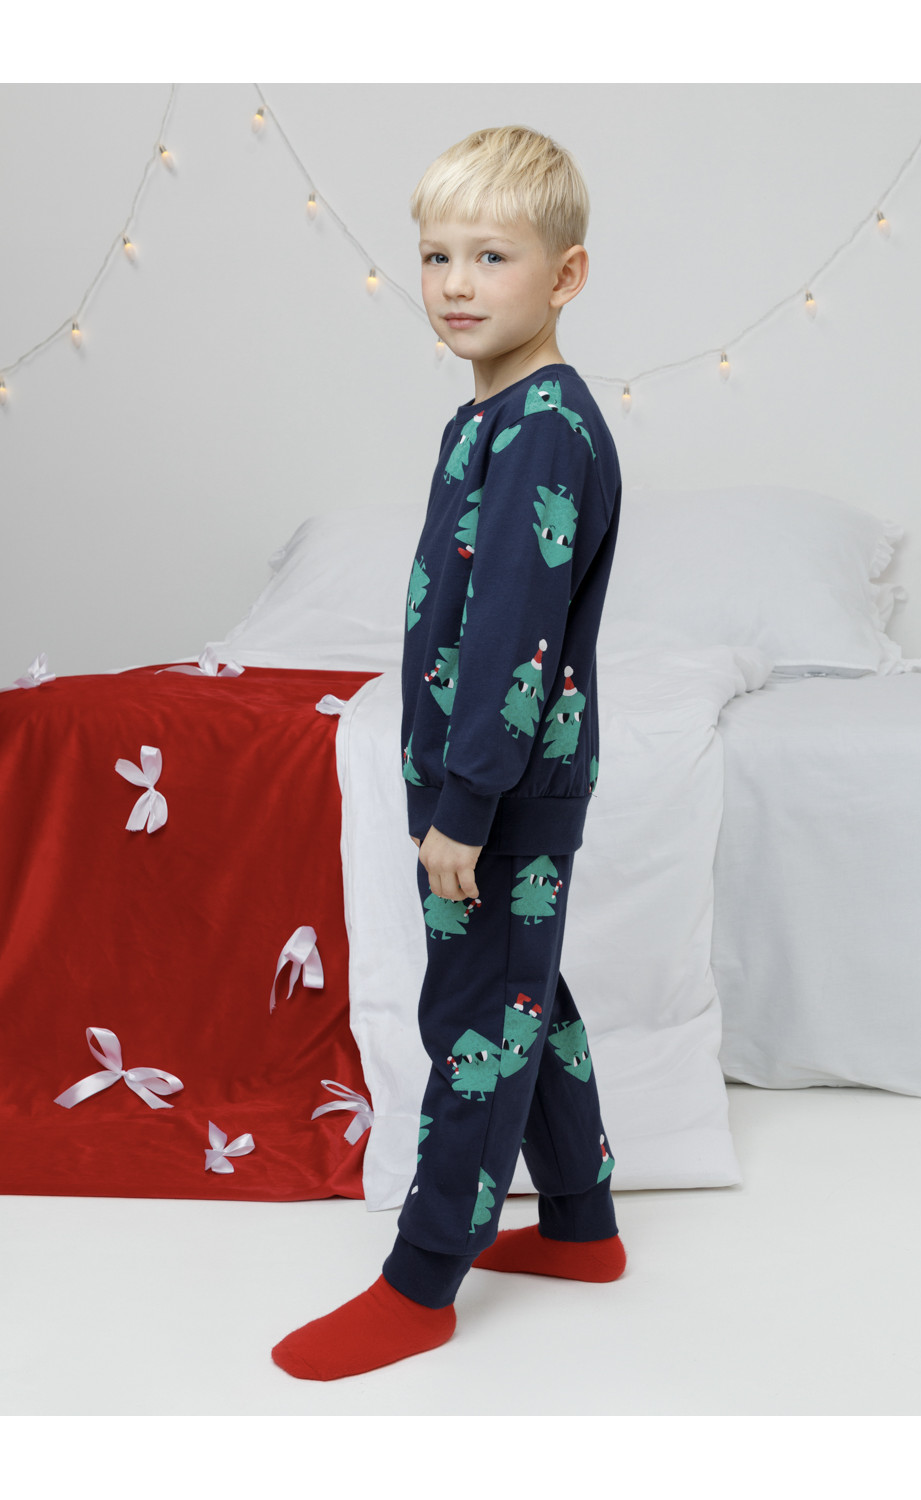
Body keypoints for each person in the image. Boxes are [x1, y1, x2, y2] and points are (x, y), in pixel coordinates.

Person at [272, 124, 626, 1382]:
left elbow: (513, 636)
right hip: (478, 780)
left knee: (477, 1015)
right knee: (525, 992)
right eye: (436, 257)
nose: (457, 284)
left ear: (564, 276)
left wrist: (467, 802)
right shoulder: (485, 418)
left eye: (491, 256)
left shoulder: (544, 428)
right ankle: (579, 1224)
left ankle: (421, 1281)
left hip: (501, 787)